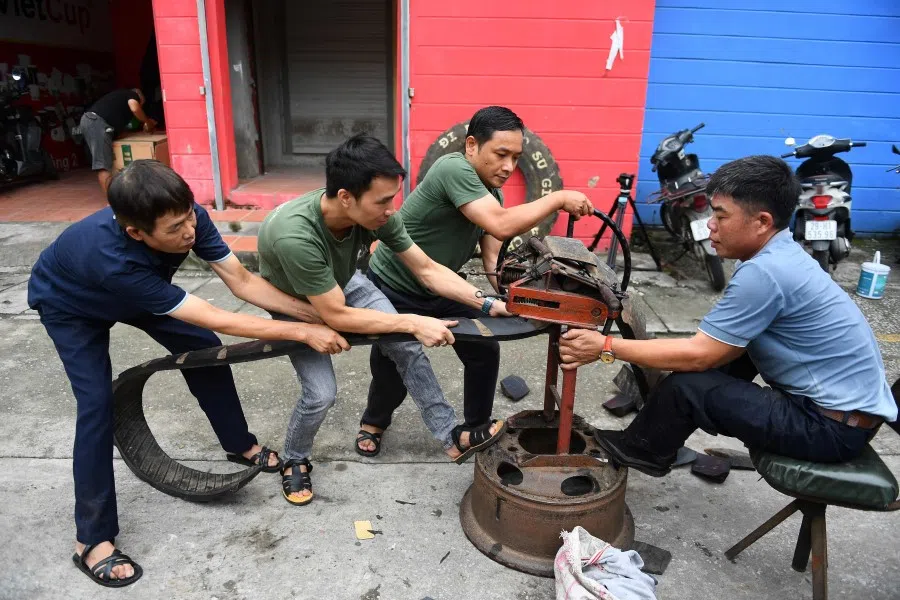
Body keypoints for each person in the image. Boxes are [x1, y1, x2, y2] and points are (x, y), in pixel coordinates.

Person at [28, 160, 348, 587]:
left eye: (188, 218)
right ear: (135, 232)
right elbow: (215, 312)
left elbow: (241, 281)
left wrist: (320, 315)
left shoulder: (188, 217)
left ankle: (240, 445)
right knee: (96, 406)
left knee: (204, 349)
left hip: (139, 292)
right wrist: (303, 332)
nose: (189, 234)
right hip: (71, 305)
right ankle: (92, 539)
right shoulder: (114, 258)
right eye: (174, 230)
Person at [558, 155, 897, 476]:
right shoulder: (781, 253)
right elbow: (716, 348)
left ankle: (643, 451)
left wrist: (604, 346)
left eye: (721, 216)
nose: (711, 226)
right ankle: (651, 434)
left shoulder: (766, 273)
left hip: (829, 429)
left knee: (687, 385)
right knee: (726, 355)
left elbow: (699, 354)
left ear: (762, 222)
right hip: (845, 414)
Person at [257, 134, 512, 507]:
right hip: (295, 299)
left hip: (343, 282)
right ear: (346, 197)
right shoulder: (296, 237)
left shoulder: (374, 212)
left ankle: (451, 436)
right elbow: (335, 315)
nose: (391, 209)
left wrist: (486, 303)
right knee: (321, 394)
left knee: (406, 347)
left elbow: (425, 268)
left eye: (393, 198)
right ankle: (295, 458)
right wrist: (412, 321)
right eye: (383, 201)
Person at [357, 106, 594, 456]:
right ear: (471, 145)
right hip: (395, 286)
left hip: (444, 286)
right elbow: (500, 224)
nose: (509, 166)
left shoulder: (491, 197)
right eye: (501, 154)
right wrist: (558, 198)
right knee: (394, 362)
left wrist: (509, 297)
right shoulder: (451, 168)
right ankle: (373, 422)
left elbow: (492, 259)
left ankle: (476, 429)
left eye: (516, 157)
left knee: (483, 348)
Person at [79, 88, 157, 193]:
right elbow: (135, 108)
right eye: (141, 103)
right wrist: (147, 122)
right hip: (95, 123)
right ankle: (111, 203)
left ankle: (118, 196)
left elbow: (122, 133)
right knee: (103, 166)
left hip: (96, 123)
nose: (141, 106)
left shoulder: (119, 108)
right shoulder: (131, 94)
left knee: (107, 162)